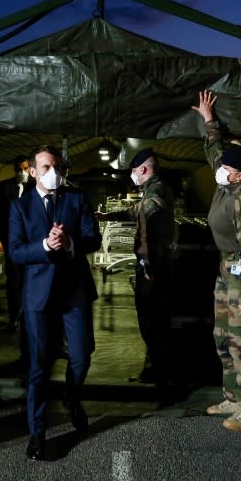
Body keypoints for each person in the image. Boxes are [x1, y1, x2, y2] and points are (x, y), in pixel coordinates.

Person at [9, 145, 102, 460]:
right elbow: (16, 251)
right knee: (38, 366)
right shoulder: (19, 207)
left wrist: (72, 242)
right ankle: (37, 432)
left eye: (58, 167)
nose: (54, 173)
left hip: (74, 291)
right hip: (39, 295)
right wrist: (45, 245)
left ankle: (73, 399)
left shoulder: (76, 199)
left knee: (81, 355)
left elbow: (94, 237)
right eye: (46, 167)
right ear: (33, 171)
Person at [192, 90, 241, 431]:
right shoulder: (226, 187)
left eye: (227, 168)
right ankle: (233, 396)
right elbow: (215, 150)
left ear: (239, 175)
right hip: (227, 269)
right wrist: (209, 120)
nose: (220, 169)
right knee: (222, 336)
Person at [95, 148, 176, 390]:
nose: (132, 175)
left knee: (153, 322)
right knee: (150, 321)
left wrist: (147, 266)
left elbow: (144, 218)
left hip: (155, 267)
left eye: (133, 171)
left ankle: (160, 373)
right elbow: (134, 211)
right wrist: (108, 215)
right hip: (152, 265)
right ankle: (154, 370)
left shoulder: (157, 189)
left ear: (143, 169)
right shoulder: (151, 190)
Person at [0, 154, 33, 344]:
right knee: (13, 280)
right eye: (19, 169)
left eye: (25, 169)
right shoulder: (4, 185)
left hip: (31, 241)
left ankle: (29, 314)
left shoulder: (36, 186)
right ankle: (13, 316)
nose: (22, 173)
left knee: (31, 278)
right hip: (11, 241)